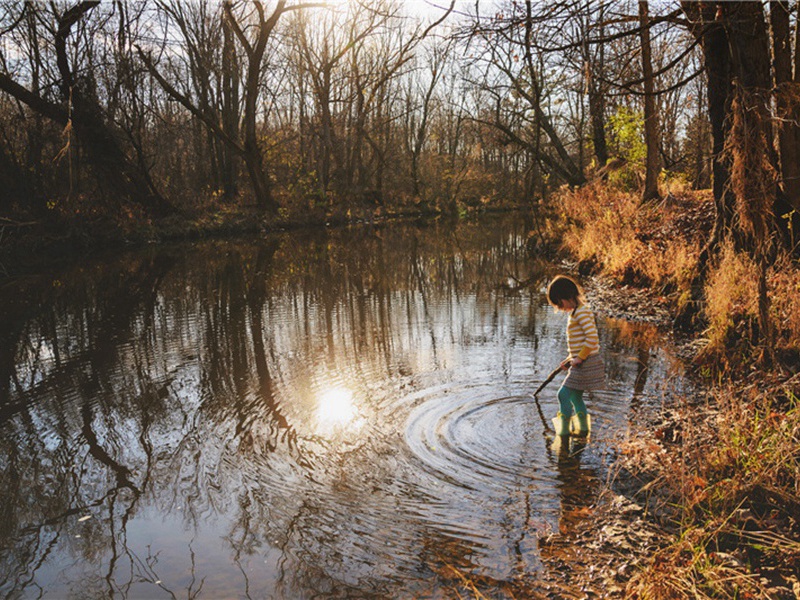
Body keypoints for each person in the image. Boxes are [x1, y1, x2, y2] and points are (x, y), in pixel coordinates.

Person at [546, 275, 605, 436]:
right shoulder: (577, 312)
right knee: (575, 397)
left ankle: (563, 433)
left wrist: (579, 358)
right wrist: (569, 358)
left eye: (560, 303)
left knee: (563, 394)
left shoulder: (582, 313)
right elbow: (579, 344)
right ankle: (583, 430)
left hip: (586, 362)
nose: (560, 307)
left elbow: (592, 338)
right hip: (582, 361)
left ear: (568, 296)